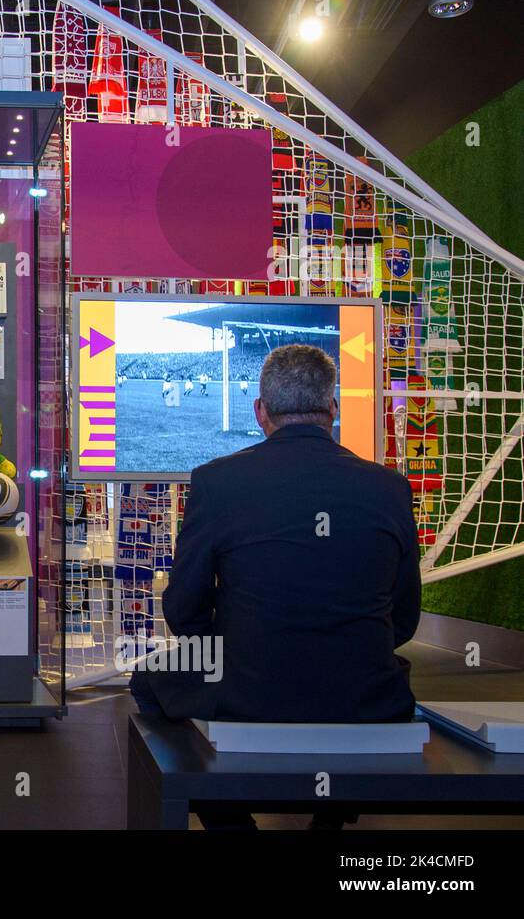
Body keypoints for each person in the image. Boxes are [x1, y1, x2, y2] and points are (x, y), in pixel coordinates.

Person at [131, 344, 420, 830]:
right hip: (366, 694)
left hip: (249, 689)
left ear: (259, 411)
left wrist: (229, 644)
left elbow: (183, 611)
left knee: (146, 682)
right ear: (333, 408)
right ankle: (326, 825)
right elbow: (404, 617)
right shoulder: (389, 487)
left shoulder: (217, 481)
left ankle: (233, 825)